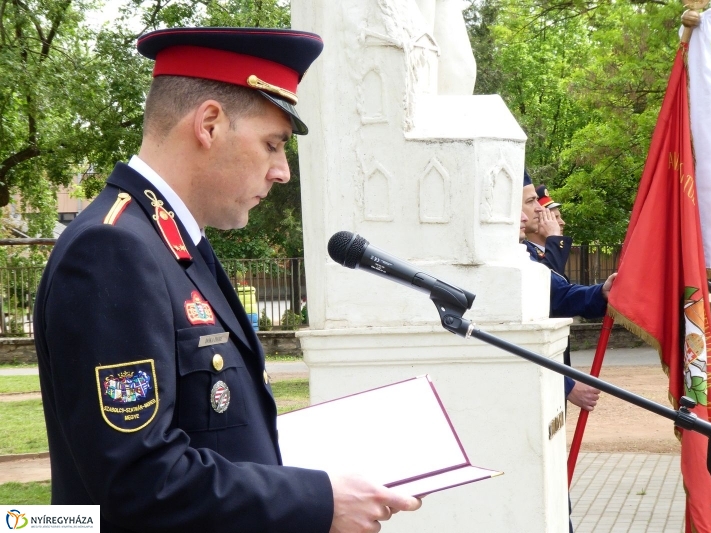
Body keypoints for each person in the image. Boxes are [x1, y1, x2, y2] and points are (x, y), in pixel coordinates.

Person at [34, 27, 421, 533]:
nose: (282, 171)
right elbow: (137, 482)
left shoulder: (169, 241)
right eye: (273, 144)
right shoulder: (113, 249)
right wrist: (315, 501)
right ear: (210, 124)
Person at [519, 174, 613, 411]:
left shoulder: (526, 250)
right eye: (531, 202)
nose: (540, 210)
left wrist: (601, 293)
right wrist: (567, 385)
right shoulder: (518, 254)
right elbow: (550, 296)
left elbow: (560, 294)